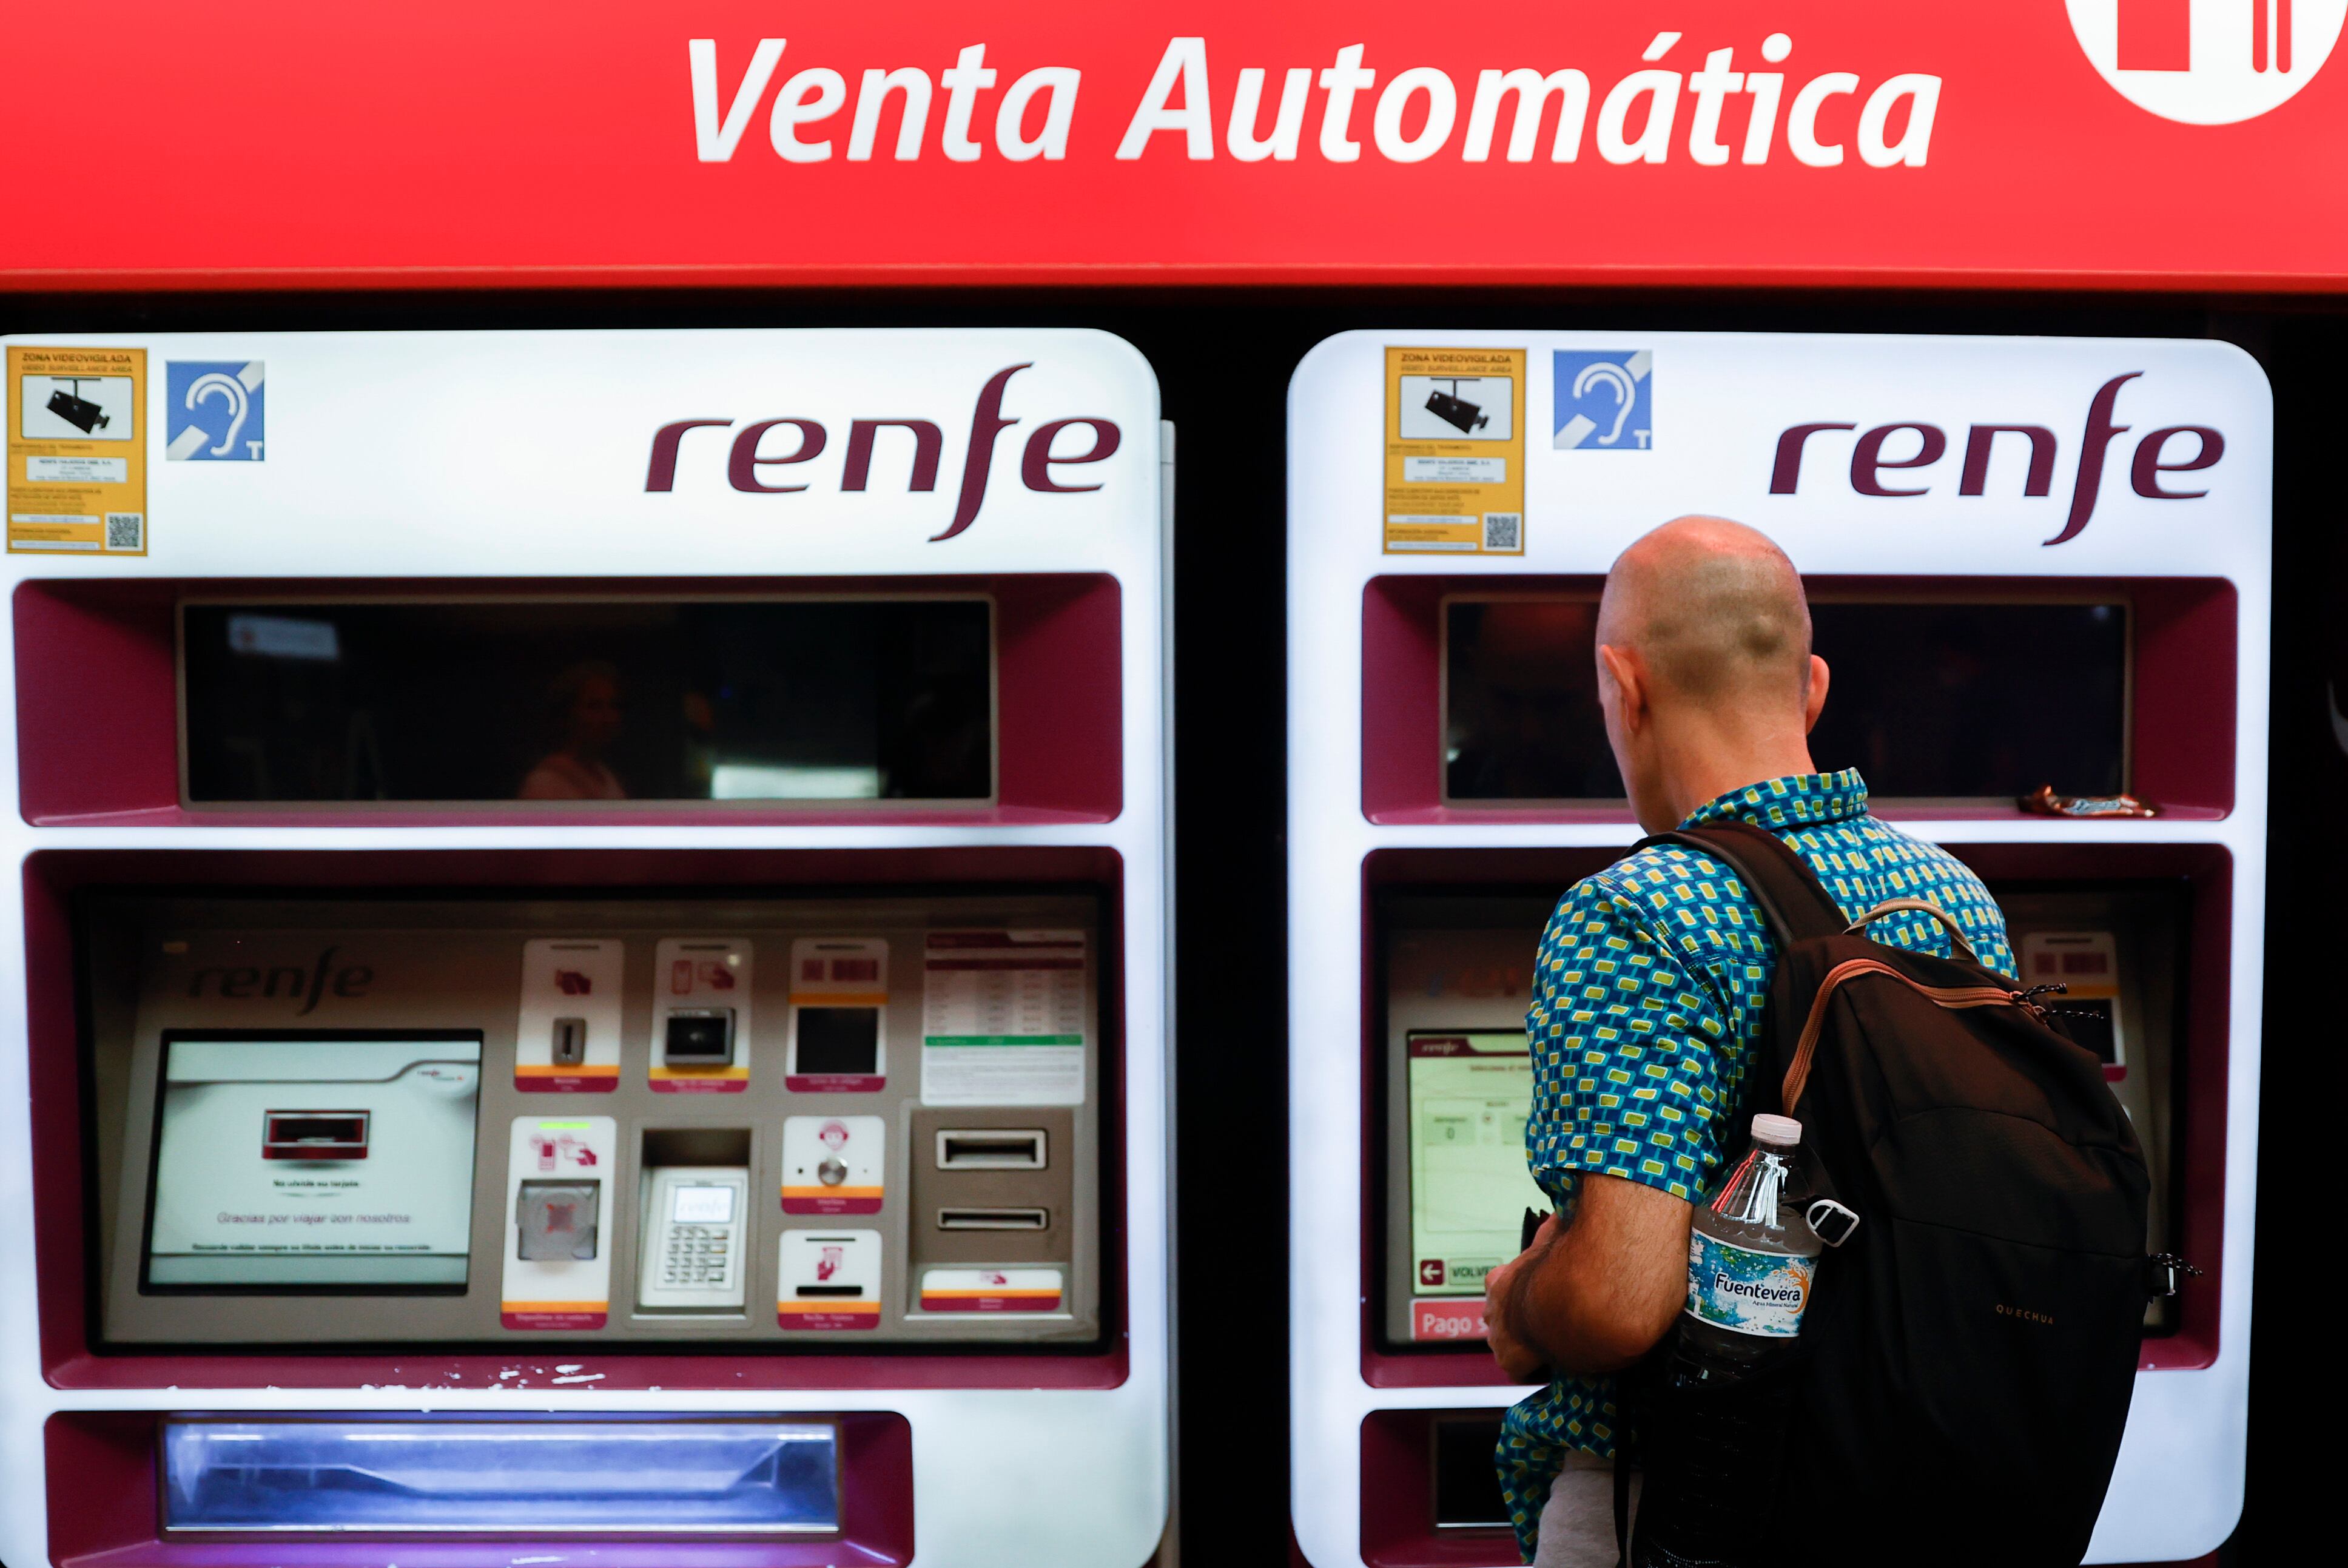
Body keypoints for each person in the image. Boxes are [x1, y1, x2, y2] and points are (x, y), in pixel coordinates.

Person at [1479, 517, 2014, 1566]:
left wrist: (1522, 1301)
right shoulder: (1954, 898)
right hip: (1911, 1480)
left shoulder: (1640, 907)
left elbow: (1620, 1303)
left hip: (1686, 1492)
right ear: (1809, 688)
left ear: (1621, 686)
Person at [520, 661, 628, 801]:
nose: (607, 718)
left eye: (613, 706)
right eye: (594, 707)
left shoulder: (606, 776)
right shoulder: (546, 782)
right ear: (568, 714)